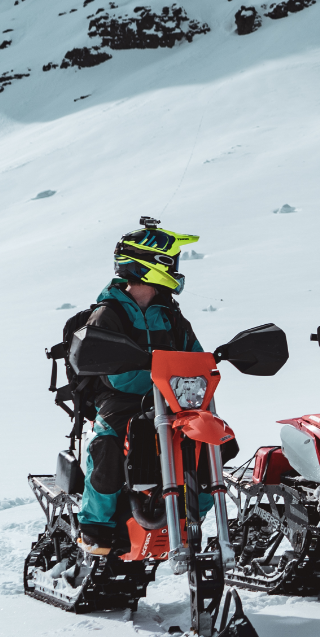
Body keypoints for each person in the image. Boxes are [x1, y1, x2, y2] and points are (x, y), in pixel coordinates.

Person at [76, 219, 206, 555]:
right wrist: (157, 378)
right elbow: (113, 370)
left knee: (207, 440)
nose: (175, 269)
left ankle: (197, 515)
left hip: (172, 399)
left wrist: (209, 365)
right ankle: (96, 526)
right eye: (170, 262)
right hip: (120, 398)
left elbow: (195, 354)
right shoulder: (109, 313)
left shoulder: (170, 315)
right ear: (146, 264)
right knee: (106, 445)